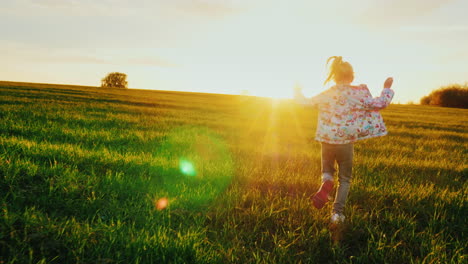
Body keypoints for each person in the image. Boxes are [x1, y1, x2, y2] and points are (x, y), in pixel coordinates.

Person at [294, 56, 394, 225]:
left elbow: (305, 103)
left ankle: (327, 181)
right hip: (345, 142)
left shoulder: (328, 93)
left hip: (326, 141)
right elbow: (380, 103)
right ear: (352, 76)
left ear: (334, 76)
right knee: (345, 179)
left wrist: (297, 90)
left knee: (327, 169)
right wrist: (386, 88)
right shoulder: (357, 94)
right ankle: (337, 214)